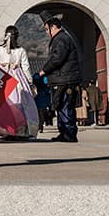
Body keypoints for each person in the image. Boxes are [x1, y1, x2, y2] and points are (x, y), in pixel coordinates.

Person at [39, 14, 81, 143]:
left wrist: (44, 70)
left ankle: (69, 133)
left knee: (65, 107)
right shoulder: (60, 38)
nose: (46, 32)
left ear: (53, 27)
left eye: (47, 29)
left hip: (65, 79)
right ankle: (64, 132)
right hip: (62, 78)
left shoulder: (61, 39)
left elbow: (57, 58)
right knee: (60, 106)